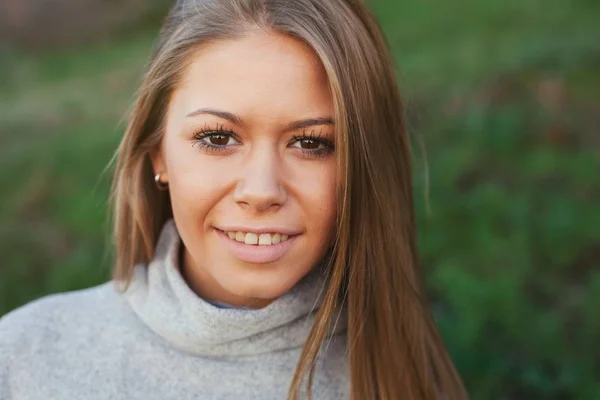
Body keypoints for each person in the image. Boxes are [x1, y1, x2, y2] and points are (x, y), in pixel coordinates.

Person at [0, 0, 469, 399]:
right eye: (218, 137)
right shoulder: (25, 359)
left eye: (311, 143)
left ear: (360, 168)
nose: (261, 190)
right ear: (157, 153)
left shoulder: (404, 377)